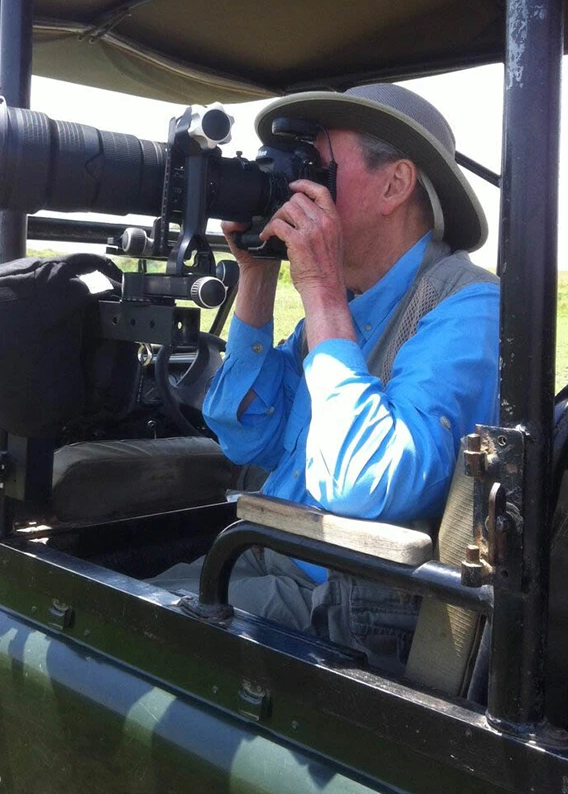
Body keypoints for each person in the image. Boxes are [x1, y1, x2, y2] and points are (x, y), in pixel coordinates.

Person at [151, 84, 499, 674]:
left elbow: (363, 488)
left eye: (317, 167)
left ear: (395, 184)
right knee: (120, 591)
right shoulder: (346, 307)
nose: (294, 185)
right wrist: (258, 281)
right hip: (270, 550)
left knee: (127, 628)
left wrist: (318, 289)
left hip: (354, 603)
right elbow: (245, 436)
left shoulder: (467, 306)